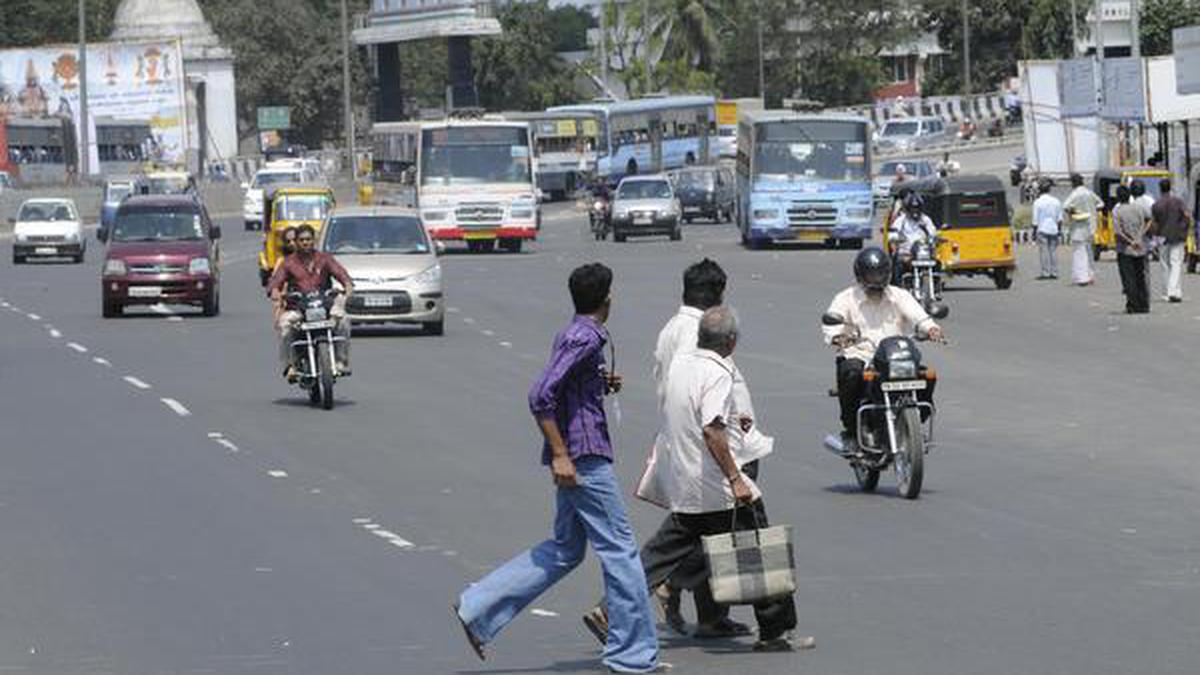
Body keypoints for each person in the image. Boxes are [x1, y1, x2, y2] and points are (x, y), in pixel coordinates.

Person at [453, 263, 665, 674]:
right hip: (584, 458)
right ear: (608, 299)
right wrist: (561, 454)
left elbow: (565, 389)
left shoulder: (580, 335)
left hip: (579, 454)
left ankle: (478, 609)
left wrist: (598, 385)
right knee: (621, 552)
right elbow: (540, 395)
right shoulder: (583, 337)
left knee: (567, 549)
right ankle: (633, 656)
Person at [588, 259, 750, 640]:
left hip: (694, 448)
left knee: (708, 534)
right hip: (704, 451)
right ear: (717, 298)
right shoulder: (699, 332)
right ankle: (638, 597)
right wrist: (730, 463)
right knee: (686, 536)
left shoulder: (672, 328)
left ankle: (710, 614)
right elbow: (696, 399)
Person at [642, 306, 807, 652]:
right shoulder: (718, 373)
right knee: (759, 549)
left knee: (658, 556)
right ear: (731, 343)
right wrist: (736, 478)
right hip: (716, 484)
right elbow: (713, 429)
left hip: (686, 480)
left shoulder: (681, 366)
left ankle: (609, 610)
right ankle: (775, 632)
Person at [824, 248, 944, 455]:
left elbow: (919, 316)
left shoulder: (900, 295)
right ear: (860, 275)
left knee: (927, 376)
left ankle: (913, 424)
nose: (876, 279)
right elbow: (832, 324)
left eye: (880, 273)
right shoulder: (845, 298)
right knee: (851, 374)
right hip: (860, 353)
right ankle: (852, 433)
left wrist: (931, 329)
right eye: (871, 274)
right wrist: (839, 337)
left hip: (894, 356)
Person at [266, 224, 354, 378]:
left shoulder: (324, 258)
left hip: (325, 306)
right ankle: (290, 365)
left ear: (314, 240)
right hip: (299, 308)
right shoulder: (288, 263)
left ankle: (341, 361)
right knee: (285, 325)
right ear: (297, 242)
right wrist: (275, 290)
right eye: (302, 240)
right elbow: (276, 281)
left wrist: (347, 285)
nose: (305, 243)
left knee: (344, 320)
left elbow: (340, 272)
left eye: (308, 239)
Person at [1150, 178, 1190, 303]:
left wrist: (1154, 238)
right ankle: (1174, 291)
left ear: (1160, 189)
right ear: (1170, 187)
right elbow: (1187, 216)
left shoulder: (1156, 205)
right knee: (1176, 263)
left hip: (1162, 237)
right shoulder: (1178, 202)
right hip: (1177, 236)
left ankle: (1167, 292)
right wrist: (1184, 229)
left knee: (1165, 265)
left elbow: (1154, 224)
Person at [1113, 185, 1151, 314]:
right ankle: (1144, 304)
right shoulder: (1138, 208)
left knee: (1128, 278)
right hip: (1140, 248)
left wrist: (1130, 242)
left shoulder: (1117, 211)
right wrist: (1140, 237)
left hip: (1125, 249)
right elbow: (1148, 221)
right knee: (1140, 277)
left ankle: (1133, 305)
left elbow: (1118, 231)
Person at [888, 192, 937, 284]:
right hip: (906, 253)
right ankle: (897, 288)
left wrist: (935, 239)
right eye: (913, 208)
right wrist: (894, 240)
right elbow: (893, 233)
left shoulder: (926, 220)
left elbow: (933, 233)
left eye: (917, 208)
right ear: (908, 208)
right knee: (897, 263)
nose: (915, 211)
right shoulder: (901, 220)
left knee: (937, 262)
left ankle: (936, 286)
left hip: (923, 253)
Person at [1063, 173, 1102, 285]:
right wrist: (1092, 210)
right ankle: (1090, 275)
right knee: (1088, 251)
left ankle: (1082, 277)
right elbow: (1100, 204)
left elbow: (1065, 206)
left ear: (1073, 183)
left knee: (1079, 252)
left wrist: (1074, 211)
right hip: (1090, 226)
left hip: (1078, 226)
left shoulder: (1075, 194)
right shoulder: (1089, 193)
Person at [1032, 178, 1063, 279]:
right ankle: (1054, 272)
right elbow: (1060, 219)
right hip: (1054, 229)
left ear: (1040, 190)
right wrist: (1059, 230)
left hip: (1042, 229)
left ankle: (1045, 272)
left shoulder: (1038, 202)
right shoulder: (1056, 201)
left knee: (1044, 251)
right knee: (1053, 251)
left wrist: (1034, 232)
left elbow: (1035, 220)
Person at [269, 227, 299, 329]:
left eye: (294, 240)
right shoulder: (282, 262)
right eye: (288, 241)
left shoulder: (313, 259)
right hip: (291, 306)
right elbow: (275, 282)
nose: (292, 243)